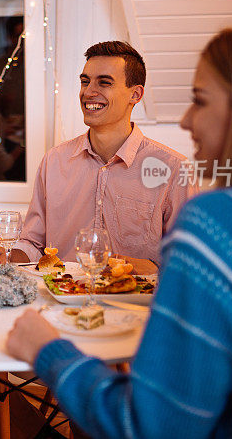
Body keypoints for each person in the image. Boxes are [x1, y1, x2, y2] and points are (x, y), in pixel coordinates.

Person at [6, 22, 232, 438]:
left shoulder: (218, 222)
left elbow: (149, 425)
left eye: (200, 100)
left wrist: (47, 351)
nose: (189, 120)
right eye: (85, 81)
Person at [10, 41, 196, 272]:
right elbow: (32, 243)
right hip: (60, 302)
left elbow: (186, 263)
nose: (88, 92)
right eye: (85, 81)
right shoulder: (54, 161)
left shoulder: (173, 169)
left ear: (135, 94)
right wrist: (3, 258)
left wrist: (125, 266)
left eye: (104, 83)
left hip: (133, 305)